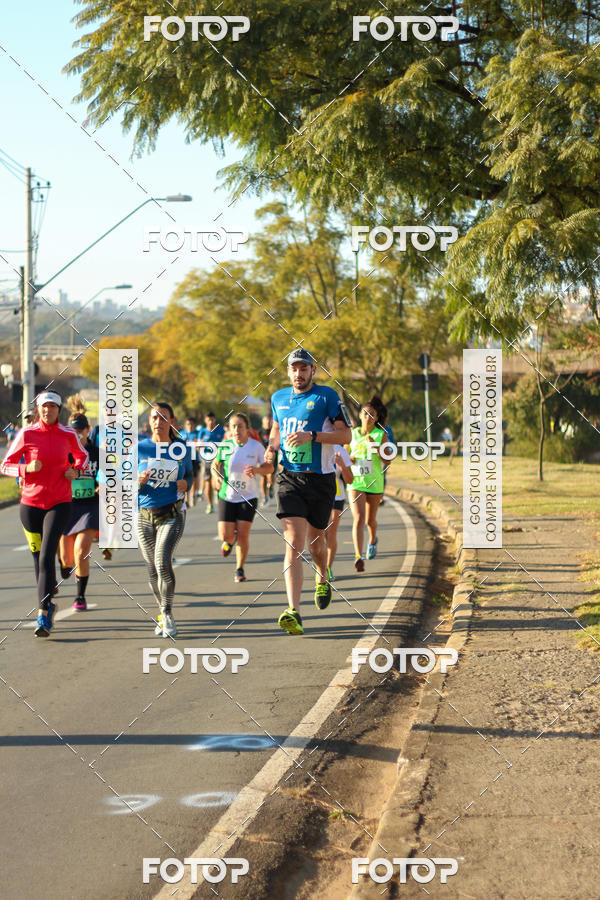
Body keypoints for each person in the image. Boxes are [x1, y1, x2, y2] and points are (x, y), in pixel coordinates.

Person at [266, 348, 352, 635]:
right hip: (289, 478)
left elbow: (345, 435)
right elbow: (276, 431)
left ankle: (322, 577)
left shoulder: (326, 396)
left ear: (313, 370)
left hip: (321, 480)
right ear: (288, 371)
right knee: (293, 542)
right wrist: (270, 449)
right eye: (294, 369)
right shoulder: (278, 398)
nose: (299, 373)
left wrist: (312, 436)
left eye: (304, 368)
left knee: (317, 545)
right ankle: (294, 611)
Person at [0, 391, 89, 636]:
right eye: (43, 407)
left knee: (46, 556)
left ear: (58, 410)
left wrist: (76, 470)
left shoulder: (68, 434)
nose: (47, 411)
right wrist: (25, 467)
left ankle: (42, 613)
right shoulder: (27, 434)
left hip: (59, 502)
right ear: (38, 409)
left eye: (52, 407)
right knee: (37, 558)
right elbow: (5, 464)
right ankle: (49, 598)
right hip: (30, 505)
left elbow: (83, 456)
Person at [138, 401, 193, 638]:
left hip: (172, 513)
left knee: (162, 562)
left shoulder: (180, 448)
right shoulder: (139, 448)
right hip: (143, 515)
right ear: (148, 422)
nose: (158, 422)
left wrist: (186, 483)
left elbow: (190, 473)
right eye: (154, 417)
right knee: (152, 568)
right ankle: (162, 613)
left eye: (163, 417)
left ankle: (167, 614)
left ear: (171, 422)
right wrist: (137, 481)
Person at [212, 413, 273, 582]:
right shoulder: (225, 446)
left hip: (248, 496)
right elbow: (214, 465)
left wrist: (257, 470)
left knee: (244, 534)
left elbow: (269, 468)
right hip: (227, 495)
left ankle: (239, 568)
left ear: (247, 428)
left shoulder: (256, 447)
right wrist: (216, 476)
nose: (236, 430)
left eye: (240, 426)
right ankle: (229, 542)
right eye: (233, 426)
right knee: (226, 535)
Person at [58, 396, 99, 611]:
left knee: (81, 550)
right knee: (67, 560)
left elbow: (110, 474)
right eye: (73, 432)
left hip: (91, 506)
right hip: (68, 505)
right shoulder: (65, 453)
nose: (77, 435)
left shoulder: (97, 453)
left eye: (81, 431)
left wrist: (102, 485)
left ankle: (80, 596)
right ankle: (67, 566)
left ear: (88, 430)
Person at [348, 400, 387, 571]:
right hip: (356, 481)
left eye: (372, 414)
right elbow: (344, 453)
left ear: (376, 417)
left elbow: (387, 459)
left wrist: (375, 447)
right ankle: (358, 555)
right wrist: (348, 459)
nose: (368, 417)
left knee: (370, 520)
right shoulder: (353, 433)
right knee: (358, 518)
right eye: (365, 413)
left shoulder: (380, 434)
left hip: (374, 482)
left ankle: (372, 541)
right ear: (360, 415)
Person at [325, 444, 354, 581]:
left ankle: (328, 568)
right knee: (320, 534)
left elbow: (350, 480)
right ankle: (321, 565)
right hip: (318, 494)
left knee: (331, 532)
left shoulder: (341, 450)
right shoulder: (315, 444)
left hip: (337, 494)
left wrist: (342, 465)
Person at [198, 411, 225, 514]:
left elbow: (225, 444)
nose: (210, 422)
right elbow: (198, 446)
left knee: (217, 480)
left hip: (218, 460)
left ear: (215, 420)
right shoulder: (202, 432)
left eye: (212, 419)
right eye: (208, 419)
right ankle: (210, 504)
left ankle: (217, 491)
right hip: (206, 460)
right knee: (207, 481)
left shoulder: (220, 431)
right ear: (205, 420)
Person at [180, 416, 201, 508]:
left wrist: (198, 445)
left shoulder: (198, 434)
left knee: (194, 478)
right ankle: (185, 499)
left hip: (194, 459)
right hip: (184, 459)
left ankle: (193, 495)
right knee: (184, 478)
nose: (190, 426)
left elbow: (200, 444)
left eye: (192, 424)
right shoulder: (181, 434)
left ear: (194, 425)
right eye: (188, 424)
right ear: (185, 425)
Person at [258, 414, 276, 505]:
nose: (268, 423)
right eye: (266, 421)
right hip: (261, 457)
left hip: (272, 457)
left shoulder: (274, 431)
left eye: (270, 421)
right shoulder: (259, 432)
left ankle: (271, 487)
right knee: (263, 476)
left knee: (271, 476)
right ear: (263, 422)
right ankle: (264, 497)